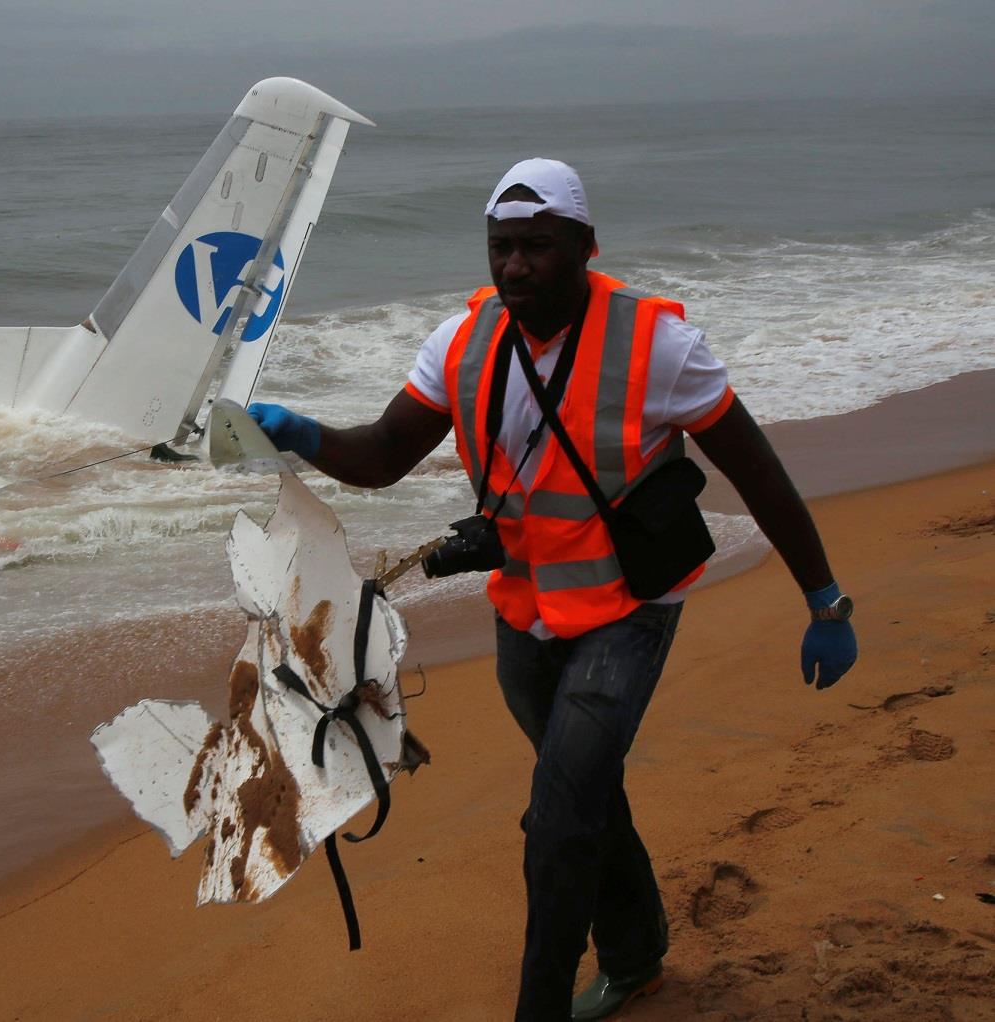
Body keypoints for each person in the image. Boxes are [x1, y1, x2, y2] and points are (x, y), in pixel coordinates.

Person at [248, 158, 858, 1021]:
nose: (515, 266)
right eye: (501, 248)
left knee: (560, 821)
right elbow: (383, 454)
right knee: (586, 796)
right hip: (523, 615)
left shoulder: (658, 345)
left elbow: (756, 472)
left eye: (537, 247)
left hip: (628, 611)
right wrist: (298, 430)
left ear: (585, 246)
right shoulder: (462, 343)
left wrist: (824, 599)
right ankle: (638, 953)